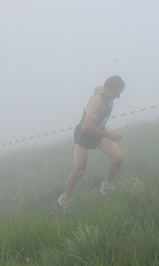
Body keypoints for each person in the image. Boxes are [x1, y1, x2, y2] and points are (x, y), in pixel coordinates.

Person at [58, 75, 125, 210]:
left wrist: (104, 133)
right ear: (107, 89)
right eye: (116, 93)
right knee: (79, 171)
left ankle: (106, 186)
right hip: (85, 135)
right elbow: (86, 126)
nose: (118, 97)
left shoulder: (103, 90)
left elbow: (96, 87)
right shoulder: (98, 102)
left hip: (98, 131)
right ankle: (65, 198)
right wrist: (108, 135)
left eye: (120, 93)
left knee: (118, 158)